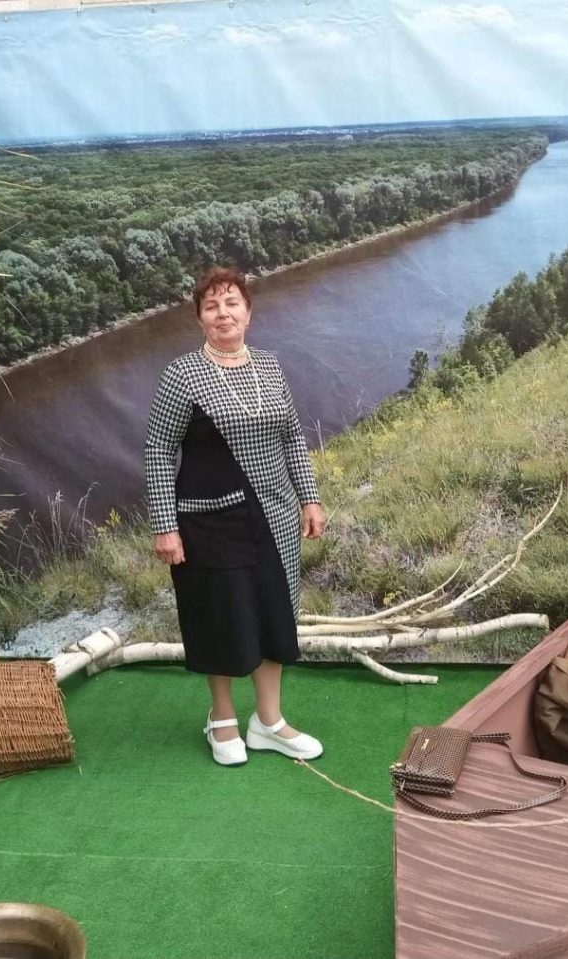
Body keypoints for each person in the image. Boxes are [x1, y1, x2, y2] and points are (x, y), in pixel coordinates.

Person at [144, 265, 326, 766]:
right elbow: (158, 449)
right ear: (199, 318)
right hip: (210, 521)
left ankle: (269, 722)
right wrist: (165, 525)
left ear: (248, 312)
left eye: (232, 304)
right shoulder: (181, 374)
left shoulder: (269, 365)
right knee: (221, 616)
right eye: (211, 306)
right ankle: (221, 717)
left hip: (274, 515)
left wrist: (309, 498)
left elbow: (292, 436)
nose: (223, 314)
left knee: (273, 613)